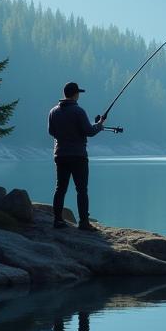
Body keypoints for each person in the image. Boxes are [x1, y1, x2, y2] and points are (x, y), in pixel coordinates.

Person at [48, 81, 104, 230]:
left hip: (60, 155)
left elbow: (51, 132)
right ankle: (84, 222)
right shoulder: (78, 111)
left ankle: (57, 220)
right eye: (78, 92)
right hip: (78, 156)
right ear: (74, 94)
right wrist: (99, 125)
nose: (79, 95)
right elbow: (89, 131)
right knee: (81, 189)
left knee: (60, 188)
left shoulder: (53, 111)